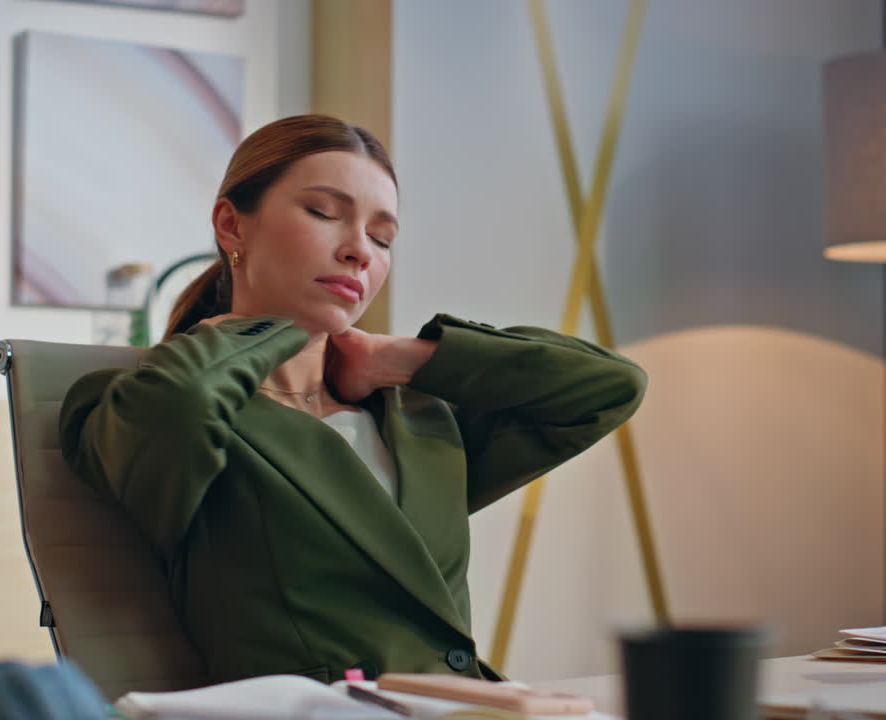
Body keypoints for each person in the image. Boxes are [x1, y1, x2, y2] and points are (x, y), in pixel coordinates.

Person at [59, 114, 647, 688]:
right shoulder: (136, 405)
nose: (360, 251)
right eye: (323, 213)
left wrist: (403, 358)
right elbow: (182, 402)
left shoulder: (420, 422)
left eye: (382, 236)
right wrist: (276, 329)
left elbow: (609, 388)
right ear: (232, 226)